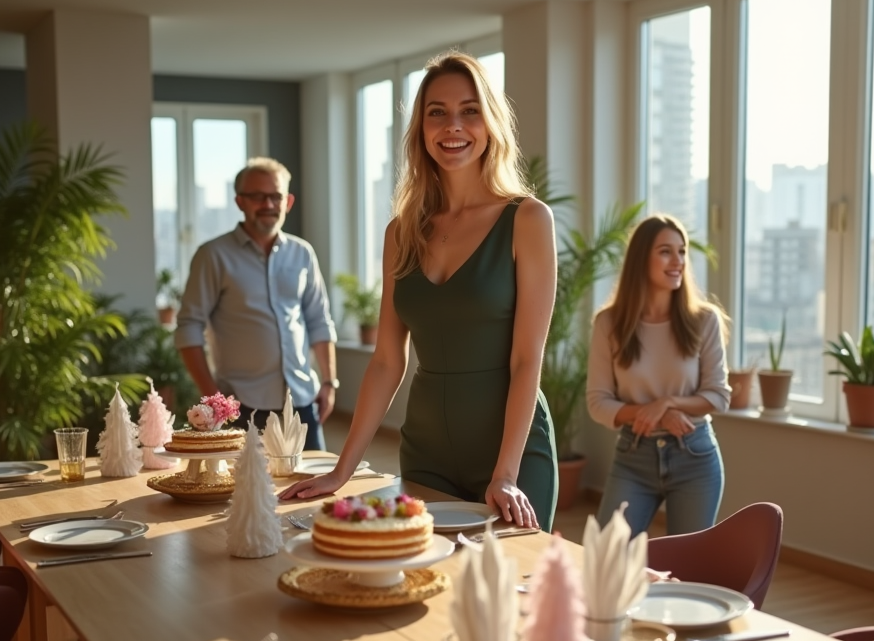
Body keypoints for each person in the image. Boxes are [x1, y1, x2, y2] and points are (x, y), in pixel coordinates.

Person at [280, 51, 559, 530]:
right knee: (430, 586)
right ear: (421, 130)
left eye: (470, 110)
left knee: (507, 593)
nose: (454, 126)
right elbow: (388, 358)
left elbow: (526, 359)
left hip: (511, 455)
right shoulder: (401, 233)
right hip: (427, 451)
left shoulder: (527, 219)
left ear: (490, 122)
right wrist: (341, 470)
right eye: (438, 112)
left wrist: (506, 474)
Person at [175, 157, 337, 451]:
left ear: (288, 201)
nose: (268, 204)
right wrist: (213, 399)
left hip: (301, 402)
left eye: (275, 196)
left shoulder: (303, 253)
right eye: (257, 196)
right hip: (241, 407)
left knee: (312, 489)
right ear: (239, 201)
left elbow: (318, 320)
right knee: (246, 493)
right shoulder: (213, 255)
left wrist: (329, 382)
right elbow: (188, 329)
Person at [585, 214, 731, 537]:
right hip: (633, 456)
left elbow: (718, 396)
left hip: (695, 456)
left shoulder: (704, 320)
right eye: (666, 251)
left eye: (682, 251)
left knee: (688, 569)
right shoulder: (609, 324)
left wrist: (665, 403)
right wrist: (654, 416)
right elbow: (598, 402)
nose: (678, 261)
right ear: (641, 260)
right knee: (606, 556)